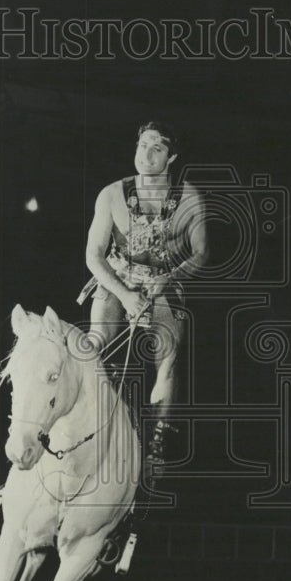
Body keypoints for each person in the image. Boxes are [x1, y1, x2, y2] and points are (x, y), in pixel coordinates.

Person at [79, 121, 209, 468]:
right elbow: (93, 255)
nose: (147, 155)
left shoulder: (190, 197)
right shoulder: (111, 194)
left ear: (172, 156)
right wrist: (123, 295)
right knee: (95, 341)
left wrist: (170, 277)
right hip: (117, 276)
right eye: (142, 146)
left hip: (163, 280)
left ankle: (157, 444)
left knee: (168, 353)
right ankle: (85, 422)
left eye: (157, 148)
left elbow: (201, 252)